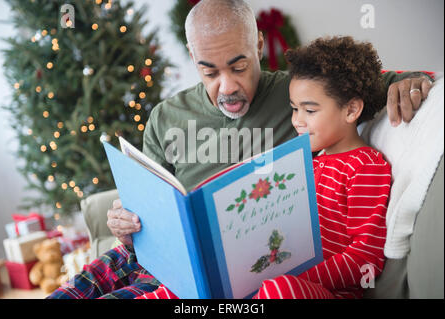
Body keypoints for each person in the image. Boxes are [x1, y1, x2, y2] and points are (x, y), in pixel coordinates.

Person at [48, 0, 433, 299]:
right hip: (158, 257)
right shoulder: (166, 116)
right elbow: (145, 203)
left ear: (260, 45)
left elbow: (360, 85)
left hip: (239, 275)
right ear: (192, 56)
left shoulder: (299, 94)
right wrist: (126, 223)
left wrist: (411, 81)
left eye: (239, 65)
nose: (228, 86)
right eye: (210, 72)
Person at [253, 36, 392, 299]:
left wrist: (296, 278)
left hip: (328, 291)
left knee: (278, 290)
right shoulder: (310, 164)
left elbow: (367, 258)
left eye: (310, 111)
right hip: (277, 277)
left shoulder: (365, 167)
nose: (297, 121)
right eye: (295, 109)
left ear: (351, 110)